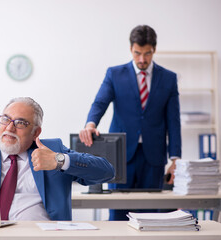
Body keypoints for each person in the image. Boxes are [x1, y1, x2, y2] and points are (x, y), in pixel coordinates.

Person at [0, 97, 115, 221]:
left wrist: (59, 160)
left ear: (36, 132)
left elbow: (106, 172)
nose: (9, 128)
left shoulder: (52, 150)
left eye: (20, 123)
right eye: (5, 119)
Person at [79, 25, 181, 220]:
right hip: (121, 155)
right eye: (137, 53)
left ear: (154, 50)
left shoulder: (168, 78)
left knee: (151, 214)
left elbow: (173, 121)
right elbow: (100, 102)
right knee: (118, 212)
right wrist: (90, 124)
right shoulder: (115, 74)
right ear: (130, 49)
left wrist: (175, 160)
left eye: (147, 53)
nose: (142, 59)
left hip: (154, 157)